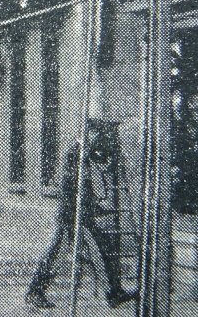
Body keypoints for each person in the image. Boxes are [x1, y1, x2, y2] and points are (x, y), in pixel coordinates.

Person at [25, 125, 136, 309]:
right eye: (94, 134)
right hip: (70, 216)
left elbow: (86, 186)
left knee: (104, 248)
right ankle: (35, 292)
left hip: (83, 215)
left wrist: (95, 207)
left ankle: (114, 292)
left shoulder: (84, 153)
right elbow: (71, 189)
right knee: (58, 253)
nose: (97, 140)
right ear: (86, 133)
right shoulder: (74, 153)